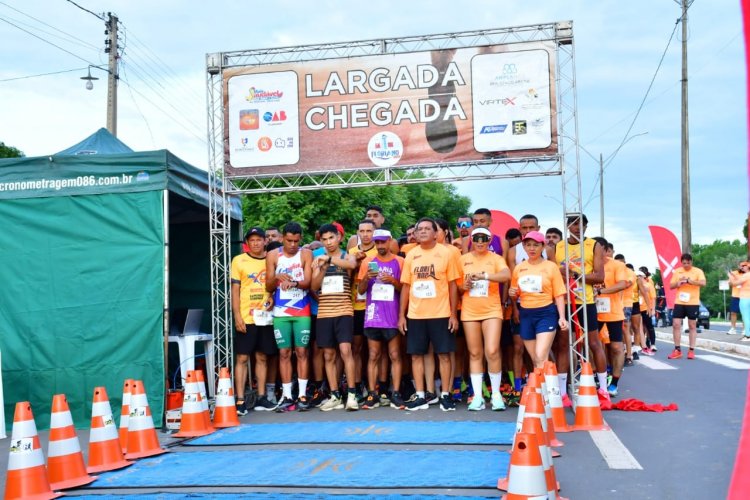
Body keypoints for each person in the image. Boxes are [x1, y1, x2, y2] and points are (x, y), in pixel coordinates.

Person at [398, 217, 461, 412]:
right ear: (415, 235)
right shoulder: (411, 255)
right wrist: (402, 315)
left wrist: (453, 314)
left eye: (427, 229)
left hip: (441, 313)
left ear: (436, 233)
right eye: (420, 229)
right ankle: (421, 395)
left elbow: (452, 285)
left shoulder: (447, 253)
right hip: (416, 315)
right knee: (416, 355)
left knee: (444, 354)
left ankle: (445, 395)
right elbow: (406, 287)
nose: (423, 231)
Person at [549, 214, 608, 399]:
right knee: (563, 345)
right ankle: (562, 392)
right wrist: (560, 272)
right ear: (566, 226)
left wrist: (574, 274)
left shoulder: (593, 245)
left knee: (593, 343)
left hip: (586, 301)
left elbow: (599, 277)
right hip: (563, 302)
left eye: (580, 224)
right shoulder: (556, 248)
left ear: (586, 227)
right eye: (572, 224)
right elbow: (551, 275)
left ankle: (603, 389)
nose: (576, 227)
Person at [459, 227, 511, 411]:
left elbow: (506, 275)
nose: (480, 242)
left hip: (491, 310)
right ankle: (478, 396)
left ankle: (496, 394)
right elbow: (456, 287)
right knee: (474, 353)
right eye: (476, 239)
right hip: (470, 311)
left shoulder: (496, 258)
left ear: (489, 240)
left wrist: (485, 276)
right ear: (471, 240)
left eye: (484, 239)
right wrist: (464, 285)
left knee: (492, 350)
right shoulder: (463, 260)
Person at [311, 224, 360, 411]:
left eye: (331, 238)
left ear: (339, 237)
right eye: (324, 239)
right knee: (328, 355)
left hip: (344, 311)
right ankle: (335, 395)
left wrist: (330, 259)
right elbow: (314, 286)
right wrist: (323, 266)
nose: (328, 242)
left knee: (346, 351)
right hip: (324, 313)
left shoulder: (346, 256)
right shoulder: (319, 259)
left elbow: (352, 265)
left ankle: (352, 395)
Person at [265, 222, 313, 411]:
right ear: (282, 237)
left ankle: (301, 395)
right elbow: (268, 286)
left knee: (302, 352)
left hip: (302, 310)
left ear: (300, 238)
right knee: (284, 353)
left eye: (296, 240)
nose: (292, 244)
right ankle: (286, 395)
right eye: (288, 240)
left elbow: (308, 282)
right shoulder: (272, 255)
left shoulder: (306, 254)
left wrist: (292, 282)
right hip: (281, 312)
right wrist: (278, 277)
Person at [230, 227, 278, 415]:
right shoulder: (239, 260)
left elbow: (274, 285)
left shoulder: (271, 259)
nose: (256, 243)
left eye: (259, 239)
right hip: (246, 316)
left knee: (262, 356)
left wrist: (273, 296)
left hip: (265, 316)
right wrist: (237, 316)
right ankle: (240, 400)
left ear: (265, 241)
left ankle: (261, 397)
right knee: (242, 357)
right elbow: (235, 290)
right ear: (247, 243)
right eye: (252, 240)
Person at [357, 229, 406, 409]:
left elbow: (405, 289)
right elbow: (361, 290)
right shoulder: (368, 262)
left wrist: (393, 281)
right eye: (377, 242)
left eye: (383, 242)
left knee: (394, 355)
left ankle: (396, 392)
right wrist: (366, 279)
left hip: (392, 315)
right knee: (373, 355)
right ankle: (372, 394)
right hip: (374, 315)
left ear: (390, 241)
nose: (380, 246)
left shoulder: (400, 261)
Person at [509, 231, 568, 370]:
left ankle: (548, 391)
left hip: (546, 313)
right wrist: (512, 293)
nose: (532, 248)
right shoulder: (519, 268)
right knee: (536, 359)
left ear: (543, 246)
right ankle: (547, 388)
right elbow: (515, 293)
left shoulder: (551, 266)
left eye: (536, 245)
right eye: (528, 245)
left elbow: (559, 294)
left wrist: (562, 317)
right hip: (526, 314)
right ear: (523, 247)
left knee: (540, 355)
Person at [506, 214, 547, 395]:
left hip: (544, 307)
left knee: (540, 349)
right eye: (524, 228)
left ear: (538, 228)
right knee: (518, 347)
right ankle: (517, 386)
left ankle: (540, 382)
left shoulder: (548, 250)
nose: (528, 231)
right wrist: (514, 308)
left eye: (532, 227)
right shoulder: (513, 251)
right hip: (522, 306)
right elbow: (511, 283)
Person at [594, 239, 630, 397]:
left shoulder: (617, 265)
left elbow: (623, 284)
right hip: (592, 311)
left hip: (613, 312)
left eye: (599, 248)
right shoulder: (587, 263)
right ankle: (596, 377)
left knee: (616, 347)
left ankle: (614, 383)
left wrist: (602, 292)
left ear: (605, 249)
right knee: (591, 345)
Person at [348, 219, 378, 402]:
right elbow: (348, 278)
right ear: (357, 233)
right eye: (362, 231)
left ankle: (378, 386)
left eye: (369, 231)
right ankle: (358, 385)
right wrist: (356, 265)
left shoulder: (380, 250)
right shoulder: (351, 253)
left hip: (377, 306)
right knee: (357, 348)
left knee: (375, 350)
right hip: (356, 305)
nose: (366, 234)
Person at [668, 253, 706, 359]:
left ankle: (691, 350)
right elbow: (671, 286)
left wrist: (690, 281)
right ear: (682, 262)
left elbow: (703, 283)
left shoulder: (698, 271)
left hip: (692, 302)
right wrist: (678, 283)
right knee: (676, 324)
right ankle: (677, 349)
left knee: (692, 325)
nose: (686, 265)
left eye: (688, 263)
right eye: (684, 263)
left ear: (691, 262)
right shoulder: (677, 271)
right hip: (679, 301)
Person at [728, 262, 750, 342]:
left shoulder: (746, 275)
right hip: (743, 297)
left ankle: (747, 336)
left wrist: (730, 276)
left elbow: (734, 283)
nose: (742, 267)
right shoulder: (744, 275)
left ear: (747, 267)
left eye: (744, 266)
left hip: (745, 298)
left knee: (746, 317)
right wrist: (733, 275)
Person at [639, 267, 657, 351]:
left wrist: (652, 309)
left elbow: (653, 297)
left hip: (646, 308)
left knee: (649, 326)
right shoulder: (635, 283)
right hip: (637, 308)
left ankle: (652, 343)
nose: (639, 276)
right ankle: (642, 343)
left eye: (641, 275)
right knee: (640, 327)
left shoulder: (649, 283)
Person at [729, 265, 743, 335]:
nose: (742, 267)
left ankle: (745, 329)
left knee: (744, 313)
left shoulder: (747, 274)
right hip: (735, 295)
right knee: (733, 312)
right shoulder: (734, 273)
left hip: (745, 296)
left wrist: (736, 282)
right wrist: (732, 279)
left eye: (744, 266)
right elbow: (731, 283)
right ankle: (733, 328)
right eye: (741, 266)